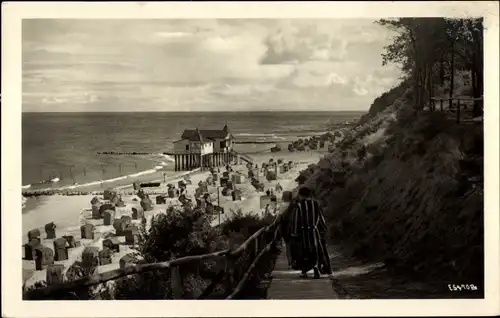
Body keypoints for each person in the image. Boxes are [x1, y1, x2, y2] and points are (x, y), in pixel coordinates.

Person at [284, 186, 332, 279]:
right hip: (314, 232)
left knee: (304, 252)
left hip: (303, 234)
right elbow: (321, 219)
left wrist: (294, 233)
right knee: (316, 251)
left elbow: (295, 220)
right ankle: (316, 269)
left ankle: (304, 271)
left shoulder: (298, 205)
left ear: (301, 195)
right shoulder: (316, 204)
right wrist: (323, 229)